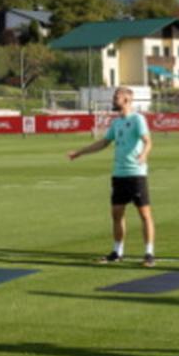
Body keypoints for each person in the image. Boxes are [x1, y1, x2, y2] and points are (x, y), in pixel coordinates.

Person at [66, 87, 155, 266]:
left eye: (117, 96)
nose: (114, 99)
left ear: (127, 99)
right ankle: (117, 251)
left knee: (144, 214)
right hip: (119, 174)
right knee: (116, 214)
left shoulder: (138, 119)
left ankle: (149, 254)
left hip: (136, 174)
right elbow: (104, 142)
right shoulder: (116, 123)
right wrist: (80, 152)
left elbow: (148, 141)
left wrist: (144, 154)